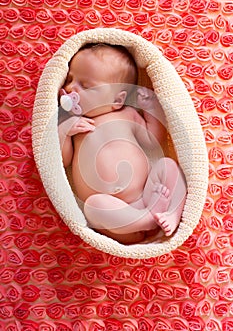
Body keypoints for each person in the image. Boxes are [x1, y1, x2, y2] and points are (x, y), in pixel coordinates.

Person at [58, 43, 187, 245]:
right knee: (93, 206)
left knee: (169, 166)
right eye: (69, 79)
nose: (69, 89)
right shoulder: (73, 124)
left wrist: (153, 109)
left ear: (118, 100)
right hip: (113, 217)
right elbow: (63, 160)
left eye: (85, 85)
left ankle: (171, 213)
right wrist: (65, 132)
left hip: (146, 194)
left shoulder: (128, 114)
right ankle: (146, 219)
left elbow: (153, 140)